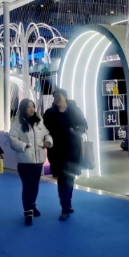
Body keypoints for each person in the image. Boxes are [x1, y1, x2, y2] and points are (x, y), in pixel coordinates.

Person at [43, 89, 87, 221]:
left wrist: (75, 131)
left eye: (59, 96)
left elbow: (84, 125)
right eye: (55, 96)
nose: (57, 98)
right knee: (62, 180)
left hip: (73, 151)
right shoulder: (49, 113)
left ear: (65, 97)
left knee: (70, 179)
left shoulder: (74, 110)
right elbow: (44, 130)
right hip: (57, 152)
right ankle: (65, 208)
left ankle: (68, 202)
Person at [10, 98, 53, 226]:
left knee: (35, 186)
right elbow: (12, 139)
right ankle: (28, 212)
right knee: (27, 187)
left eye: (33, 106)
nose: (32, 109)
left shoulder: (39, 121)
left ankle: (33, 206)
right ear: (23, 108)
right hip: (25, 161)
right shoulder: (17, 123)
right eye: (29, 107)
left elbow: (47, 134)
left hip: (38, 160)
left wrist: (48, 141)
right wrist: (24, 146)